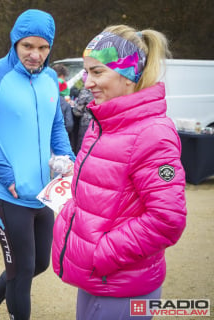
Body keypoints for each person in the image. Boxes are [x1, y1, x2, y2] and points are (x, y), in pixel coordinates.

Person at [51, 25, 187, 320]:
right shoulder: (104, 122)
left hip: (122, 286)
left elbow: (167, 219)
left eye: (97, 72)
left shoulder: (154, 134)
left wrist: (102, 254)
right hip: (97, 280)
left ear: (130, 74)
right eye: (87, 72)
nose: (87, 83)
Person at [0, 9, 75, 320]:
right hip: (7, 193)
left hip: (44, 193)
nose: (35, 55)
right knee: (21, 270)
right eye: (28, 46)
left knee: (39, 263)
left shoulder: (51, 78)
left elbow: (55, 126)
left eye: (42, 48)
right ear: (14, 43)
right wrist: (6, 174)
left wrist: (68, 160)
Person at [71, 87, 93, 154]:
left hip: (86, 123)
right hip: (101, 123)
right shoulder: (106, 88)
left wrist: (73, 106)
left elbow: (77, 112)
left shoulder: (87, 91)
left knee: (82, 148)